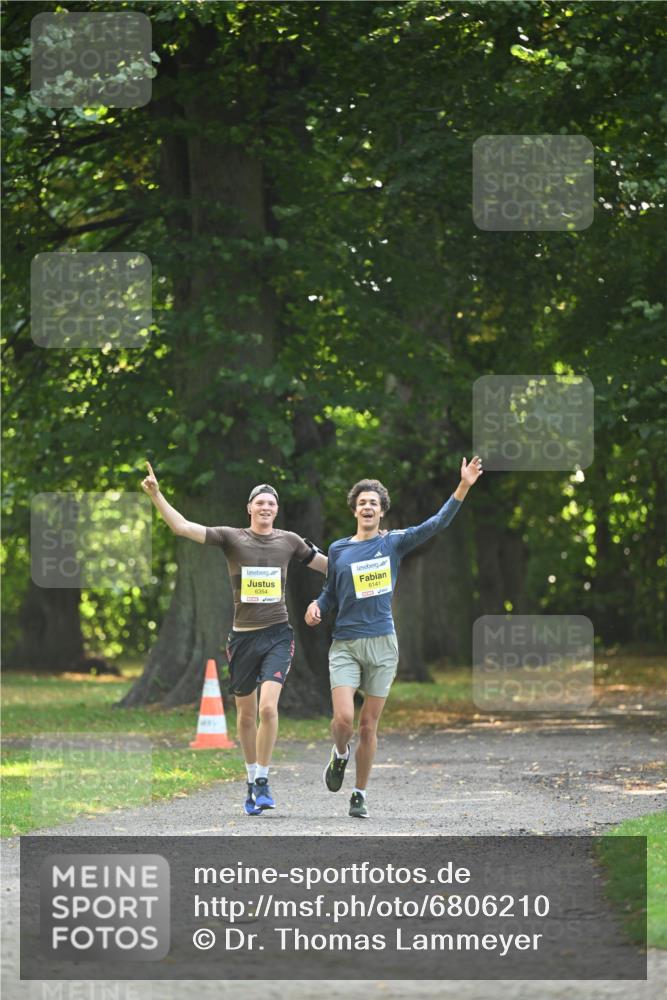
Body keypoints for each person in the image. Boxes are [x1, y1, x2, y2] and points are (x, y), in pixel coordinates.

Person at [141, 462, 327, 816]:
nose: (266, 508)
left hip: (277, 635)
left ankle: (263, 780)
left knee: (269, 708)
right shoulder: (231, 537)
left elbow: (330, 566)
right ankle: (250, 779)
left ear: (276, 509)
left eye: (271, 504)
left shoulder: (290, 541)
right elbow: (181, 527)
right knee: (245, 716)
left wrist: (366, 561)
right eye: (260, 503)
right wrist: (156, 494)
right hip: (242, 639)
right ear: (250, 508)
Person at [305, 456, 483, 818]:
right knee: (343, 721)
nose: (367, 506)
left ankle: (359, 793)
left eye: (374, 502)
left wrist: (463, 485)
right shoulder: (339, 549)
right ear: (354, 509)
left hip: (383, 644)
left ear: (382, 511)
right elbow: (331, 593)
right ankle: (340, 755)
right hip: (345, 644)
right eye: (362, 502)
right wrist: (316, 605)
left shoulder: (394, 543)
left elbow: (437, 524)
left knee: (368, 725)